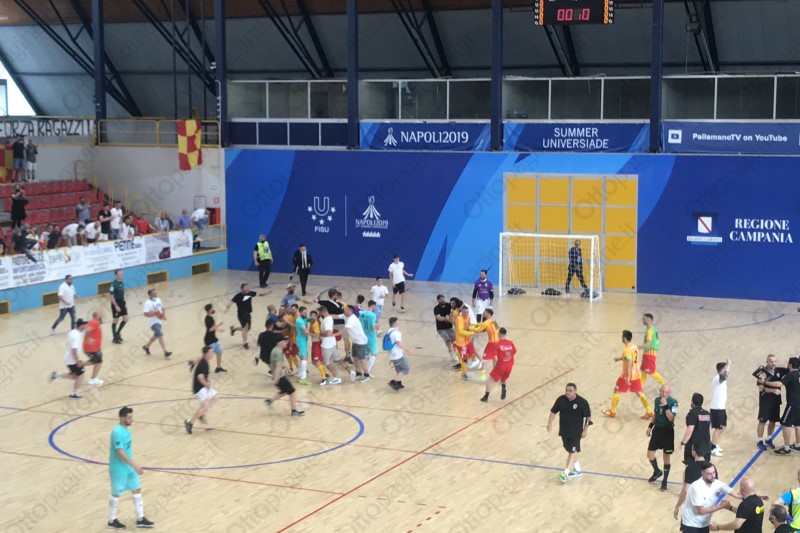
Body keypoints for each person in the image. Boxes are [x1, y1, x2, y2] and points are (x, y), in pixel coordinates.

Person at [107, 406, 155, 530]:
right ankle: (111, 520)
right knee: (116, 494)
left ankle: (140, 519)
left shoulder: (126, 430)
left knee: (136, 488)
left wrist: (132, 466)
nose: (131, 419)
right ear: (121, 418)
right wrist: (135, 466)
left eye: (131, 417)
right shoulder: (117, 432)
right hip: (118, 468)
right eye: (129, 417)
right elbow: (120, 452)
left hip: (128, 468)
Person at [602, 330, 653, 419]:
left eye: (622, 336)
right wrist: (619, 359)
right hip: (636, 374)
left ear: (625, 338)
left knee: (617, 389)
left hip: (628, 374)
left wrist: (628, 377)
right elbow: (629, 357)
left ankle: (612, 412)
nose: (621, 338)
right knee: (639, 392)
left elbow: (629, 361)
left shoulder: (626, 350)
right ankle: (649, 411)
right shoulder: (634, 346)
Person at [547, 382, 591, 483]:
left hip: (576, 432)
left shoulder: (582, 402)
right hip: (564, 431)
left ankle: (565, 473)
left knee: (572, 450)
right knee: (571, 449)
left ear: (575, 391)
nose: (567, 392)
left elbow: (588, 417)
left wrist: (585, 430)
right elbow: (553, 412)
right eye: (566, 390)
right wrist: (549, 423)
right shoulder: (561, 400)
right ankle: (577, 470)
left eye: (570, 391)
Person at [680, 462, 741, 533]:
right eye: (709, 474)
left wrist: (745, 495)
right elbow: (701, 510)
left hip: (704, 523)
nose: (713, 476)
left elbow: (736, 494)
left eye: (714, 472)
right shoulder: (696, 487)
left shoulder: (717, 483)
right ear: (702, 473)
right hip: (691, 524)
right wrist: (721, 506)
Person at [759, 357, 800, 456]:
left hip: (793, 404)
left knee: (785, 424)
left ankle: (786, 449)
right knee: (797, 425)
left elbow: (779, 383)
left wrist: (765, 382)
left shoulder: (791, 375)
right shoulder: (798, 374)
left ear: (790, 365)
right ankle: (798, 445)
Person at [646, 384, 678, 491]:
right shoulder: (656, 400)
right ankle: (657, 471)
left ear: (670, 392)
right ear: (659, 391)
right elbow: (655, 414)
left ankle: (664, 481)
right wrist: (650, 426)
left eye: (667, 392)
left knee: (666, 457)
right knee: (650, 454)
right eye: (663, 391)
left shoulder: (674, 402)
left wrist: (665, 406)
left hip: (668, 432)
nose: (664, 394)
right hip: (657, 430)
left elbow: (671, 418)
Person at [264, 337, 306, 416]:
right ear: (279, 342)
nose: (286, 343)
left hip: (278, 376)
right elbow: (278, 366)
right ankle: (294, 410)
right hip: (279, 377)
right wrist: (276, 378)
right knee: (292, 391)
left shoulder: (277, 350)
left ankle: (270, 401)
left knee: (285, 391)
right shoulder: (277, 352)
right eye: (284, 341)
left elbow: (280, 363)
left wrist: (287, 368)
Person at [49, 319, 88, 399]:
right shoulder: (77, 336)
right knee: (81, 375)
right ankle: (73, 394)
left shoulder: (72, 332)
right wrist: (77, 361)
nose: (85, 327)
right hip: (72, 360)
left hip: (68, 358)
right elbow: (74, 350)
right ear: (81, 326)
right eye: (84, 325)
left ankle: (56, 375)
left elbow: (67, 343)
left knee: (75, 376)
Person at [185, 346, 218, 434]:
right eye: (211, 352)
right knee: (205, 407)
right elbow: (200, 377)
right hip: (200, 388)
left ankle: (200, 414)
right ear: (207, 353)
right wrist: (206, 384)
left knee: (215, 397)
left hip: (202, 386)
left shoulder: (204, 360)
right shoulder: (204, 364)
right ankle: (190, 423)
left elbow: (200, 358)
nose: (213, 354)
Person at [756, 354, 786, 450]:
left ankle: (769, 439)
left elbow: (792, 370)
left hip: (776, 401)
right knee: (762, 421)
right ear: (767, 362)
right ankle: (759, 441)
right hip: (765, 402)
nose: (773, 363)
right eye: (771, 361)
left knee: (773, 421)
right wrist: (773, 390)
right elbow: (761, 388)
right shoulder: (762, 373)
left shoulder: (779, 371)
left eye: (775, 361)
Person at [674, 444, 711, 521]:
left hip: (693, 506)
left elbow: (685, 490)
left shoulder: (690, 468)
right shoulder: (711, 467)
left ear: (694, 452)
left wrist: (677, 506)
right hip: (708, 505)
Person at [226, 283, 268, 349]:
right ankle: (245, 343)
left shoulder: (250, 293)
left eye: (248, 287)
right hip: (241, 314)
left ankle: (233, 329)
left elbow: (259, 294)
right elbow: (231, 301)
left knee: (247, 329)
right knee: (245, 328)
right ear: (242, 289)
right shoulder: (238, 296)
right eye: (246, 288)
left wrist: (266, 293)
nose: (248, 289)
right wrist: (227, 307)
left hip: (248, 314)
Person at [480, 327, 516, 402]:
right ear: (505, 334)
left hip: (501, 365)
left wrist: (495, 367)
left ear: (498, 334)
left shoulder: (496, 344)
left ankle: (486, 397)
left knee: (491, 380)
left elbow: (495, 358)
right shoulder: (510, 342)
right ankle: (503, 386)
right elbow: (514, 352)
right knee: (503, 379)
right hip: (510, 365)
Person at [681, 392, 713, 465]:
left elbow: (690, 428)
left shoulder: (692, 414)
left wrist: (683, 443)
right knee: (705, 467)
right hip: (706, 445)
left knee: (690, 467)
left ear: (692, 402)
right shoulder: (707, 414)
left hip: (694, 446)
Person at [341, 304, 369, 382]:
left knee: (362, 358)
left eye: (346, 309)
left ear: (350, 311)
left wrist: (334, 334)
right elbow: (336, 316)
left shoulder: (352, 319)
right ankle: (358, 373)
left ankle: (366, 374)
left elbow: (345, 329)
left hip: (361, 342)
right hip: (355, 341)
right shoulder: (347, 317)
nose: (344, 310)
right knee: (355, 357)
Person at [142, 288, 172, 357]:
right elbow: (145, 314)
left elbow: (162, 308)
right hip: (153, 323)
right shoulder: (147, 303)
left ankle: (146, 346)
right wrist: (153, 313)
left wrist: (164, 315)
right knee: (160, 335)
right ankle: (165, 352)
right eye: (154, 294)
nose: (156, 294)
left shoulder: (158, 300)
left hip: (159, 321)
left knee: (156, 335)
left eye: (156, 293)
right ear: (150, 295)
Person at [710, 359, 731, 457]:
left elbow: (725, 375)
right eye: (725, 368)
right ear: (722, 370)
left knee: (723, 426)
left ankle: (714, 443)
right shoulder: (718, 378)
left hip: (721, 408)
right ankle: (712, 448)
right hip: (717, 408)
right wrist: (729, 364)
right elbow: (725, 375)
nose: (727, 370)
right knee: (718, 428)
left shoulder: (720, 379)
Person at [318, 306, 343, 385]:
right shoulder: (329, 318)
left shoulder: (326, 321)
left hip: (327, 345)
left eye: (319, 313)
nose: (319, 314)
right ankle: (348, 372)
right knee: (335, 360)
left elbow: (328, 333)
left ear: (322, 312)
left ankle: (337, 377)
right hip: (332, 343)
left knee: (327, 363)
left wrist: (319, 334)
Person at [640, 313, 666, 388]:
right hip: (648, 354)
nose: (642, 320)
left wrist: (637, 347)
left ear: (648, 320)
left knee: (651, 372)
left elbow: (648, 344)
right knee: (643, 371)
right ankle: (640, 386)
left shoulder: (650, 331)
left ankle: (663, 384)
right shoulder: (653, 329)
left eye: (644, 319)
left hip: (649, 354)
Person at [386, 317, 411, 390]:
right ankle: (393, 382)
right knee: (406, 369)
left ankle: (398, 383)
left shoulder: (389, 331)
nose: (398, 323)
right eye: (397, 322)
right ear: (394, 323)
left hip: (392, 354)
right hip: (397, 355)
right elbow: (399, 343)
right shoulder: (396, 333)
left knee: (399, 370)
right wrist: (407, 350)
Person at [454, 305, 476, 381]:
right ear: (461, 312)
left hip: (468, 341)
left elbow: (469, 326)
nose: (466, 313)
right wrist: (472, 333)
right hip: (461, 343)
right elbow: (460, 331)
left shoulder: (468, 317)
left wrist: (477, 328)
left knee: (473, 355)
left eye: (467, 312)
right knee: (464, 359)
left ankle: (461, 358)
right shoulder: (459, 319)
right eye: (464, 312)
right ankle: (464, 374)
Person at [433, 294, 457, 365]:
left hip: (449, 327)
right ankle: (451, 354)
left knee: (455, 340)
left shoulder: (448, 305)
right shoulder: (436, 308)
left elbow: (453, 312)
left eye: (443, 299)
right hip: (441, 328)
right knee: (448, 339)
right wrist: (447, 318)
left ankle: (457, 353)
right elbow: (438, 318)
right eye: (441, 299)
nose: (442, 300)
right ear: (438, 300)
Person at [83, 311, 105, 386]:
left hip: (95, 347)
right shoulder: (94, 322)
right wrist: (89, 338)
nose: (102, 314)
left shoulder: (96, 322)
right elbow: (87, 330)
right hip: (92, 348)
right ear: (96, 316)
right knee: (99, 362)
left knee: (96, 361)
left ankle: (79, 365)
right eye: (100, 314)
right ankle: (93, 379)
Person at [203, 303, 226, 373]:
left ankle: (218, 368)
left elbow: (213, 328)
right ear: (209, 310)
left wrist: (219, 330)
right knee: (208, 356)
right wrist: (219, 325)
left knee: (219, 351)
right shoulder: (208, 319)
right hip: (209, 340)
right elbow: (210, 329)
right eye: (212, 308)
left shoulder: (211, 317)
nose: (213, 309)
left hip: (213, 338)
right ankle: (199, 366)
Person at [109, 270, 129, 344]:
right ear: (116, 275)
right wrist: (116, 306)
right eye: (120, 274)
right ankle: (115, 337)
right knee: (115, 320)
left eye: (122, 274)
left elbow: (123, 294)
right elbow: (111, 297)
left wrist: (125, 305)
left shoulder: (121, 282)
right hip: (115, 303)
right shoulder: (113, 285)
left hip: (122, 303)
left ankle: (117, 334)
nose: (121, 275)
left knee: (126, 319)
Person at [359, 300, 379, 376]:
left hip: (363, 336)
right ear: (373, 306)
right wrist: (377, 325)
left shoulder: (362, 313)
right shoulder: (373, 315)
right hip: (371, 336)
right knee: (374, 354)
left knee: (366, 354)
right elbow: (373, 327)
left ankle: (365, 369)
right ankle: (367, 372)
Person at [294, 306, 312, 385]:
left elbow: (308, 319)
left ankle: (300, 374)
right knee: (304, 357)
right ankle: (303, 378)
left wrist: (313, 318)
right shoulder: (300, 321)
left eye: (306, 312)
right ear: (300, 312)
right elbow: (305, 331)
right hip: (301, 341)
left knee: (302, 358)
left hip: (302, 340)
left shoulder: (304, 318)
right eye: (304, 312)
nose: (305, 314)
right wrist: (314, 335)